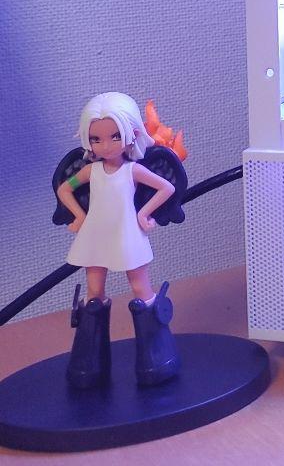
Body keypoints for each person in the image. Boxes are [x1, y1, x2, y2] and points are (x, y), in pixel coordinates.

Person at [56, 92, 181, 388]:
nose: (105, 145)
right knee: (94, 293)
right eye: (96, 139)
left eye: (114, 136)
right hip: (96, 234)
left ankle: (156, 359)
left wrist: (144, 214)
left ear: (131, 135)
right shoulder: (90, 171)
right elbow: (64, 189)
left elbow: (166, 187)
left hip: (127, 234)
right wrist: (79, 216)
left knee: (141, 290)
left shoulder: (133, 170)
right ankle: (89, 363)